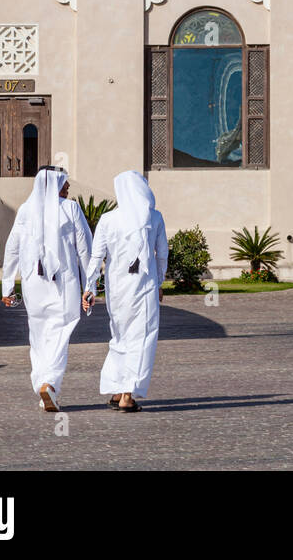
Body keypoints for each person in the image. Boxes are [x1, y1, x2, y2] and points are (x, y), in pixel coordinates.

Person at [0, 166, 92, 411]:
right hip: (64, 283)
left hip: (33, 284)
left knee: (39, 336)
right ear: (53, 185)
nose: (68, 187)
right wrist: (90, 284)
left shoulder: (25, 211)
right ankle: (49, 383)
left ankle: (43, 385)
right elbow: (85, 250)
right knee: (60, 332)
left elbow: (12, 248)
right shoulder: (70, 209)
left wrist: (7, 285)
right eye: (64, 183)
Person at [82, 170, 167, 413]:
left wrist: (89, 288)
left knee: (119, 336)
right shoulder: (154, 217)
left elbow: (97, 257)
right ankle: (127, 396)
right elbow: (161, 254)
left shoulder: (108, 219)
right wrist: (159, 282)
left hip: (116, 287)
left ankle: (116, 389)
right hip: (143, 286)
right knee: (141, 337)